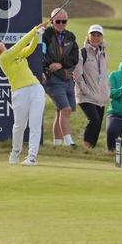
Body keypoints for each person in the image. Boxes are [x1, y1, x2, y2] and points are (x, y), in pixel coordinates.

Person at [0, 21, 48, 166]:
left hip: (36, 88)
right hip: (19, 93)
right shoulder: (3, 59)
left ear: (2, 42)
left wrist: (37, 36)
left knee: (35, 124)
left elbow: (29, 48)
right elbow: (20, 45)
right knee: (19, 126)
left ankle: (32, 157)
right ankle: (15, 152)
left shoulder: (16, 54)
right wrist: (35, 30)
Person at [41, 8, 79, 147]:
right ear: (52, 21)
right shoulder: (46, 35)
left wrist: (60, 64)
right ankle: (69, 142)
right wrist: (45, 69)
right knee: (65, 109)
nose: (61, 24)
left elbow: (74, 58)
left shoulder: (70, 37)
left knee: (60, 111)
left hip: (67, 78)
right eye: (58, 21)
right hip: (52, 79)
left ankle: (57, 144)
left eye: (64, 21)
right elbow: (41, 54)